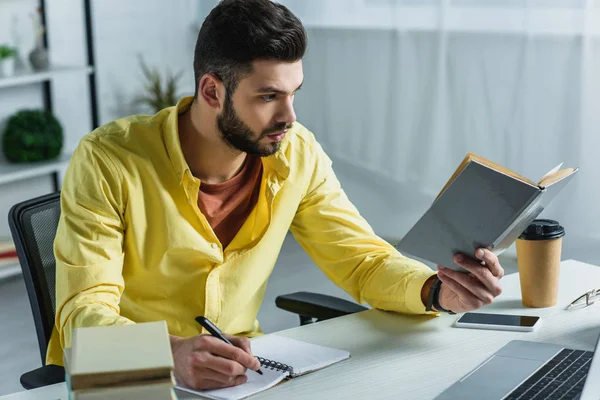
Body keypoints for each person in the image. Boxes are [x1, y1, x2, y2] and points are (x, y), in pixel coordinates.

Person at [49, 0, 504, 391]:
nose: (289, 116)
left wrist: (439, 291)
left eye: (293, 93)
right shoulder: (109, 159)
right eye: (268, 96)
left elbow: (361, 261)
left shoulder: (295, 154)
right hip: (127, 383)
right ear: (212, 91)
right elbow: (82, 317)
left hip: (241, 380)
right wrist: (170, 356)